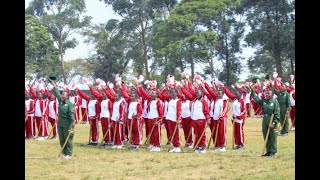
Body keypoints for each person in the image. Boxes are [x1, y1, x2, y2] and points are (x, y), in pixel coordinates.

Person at [251, 85, 280, 157]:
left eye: (268, 93)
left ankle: (273, 152)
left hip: (272, 119)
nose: (266, 95)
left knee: (272, 136)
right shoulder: (263, 101)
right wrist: (252, 90)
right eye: (266, 93)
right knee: (265, 135)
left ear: (272, 95)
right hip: (265, 119)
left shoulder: (275, 102)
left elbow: (277, 114)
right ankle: (268, 151)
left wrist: (273, 123)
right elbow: (256, 98)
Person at [50, 80, 75, 159]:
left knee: (68, 138)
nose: (62, 95)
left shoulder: (69, 104)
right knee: (61, 138)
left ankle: (69, 153)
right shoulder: (61, 101)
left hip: (67, 123)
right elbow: (57, 93)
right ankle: (63, 152)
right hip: (60, 122)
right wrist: (54, 85)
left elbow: (71, 114)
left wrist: (73, 123)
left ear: (67, 96)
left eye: (63, 94)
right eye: (62, 94)